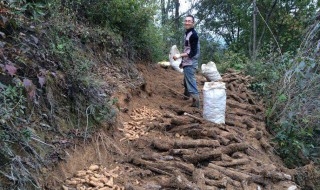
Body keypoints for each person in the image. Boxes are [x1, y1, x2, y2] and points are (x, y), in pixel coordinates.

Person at [173, 15, 200, 108]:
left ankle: (196, 106)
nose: (187, 22)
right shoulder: (187, 33)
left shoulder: (193, 35)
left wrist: (179, 55)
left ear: (193, 23)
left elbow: (192, 52)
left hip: (191, 63)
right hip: (187, 62)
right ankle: (186, 97)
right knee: (186, 82)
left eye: (189, 21)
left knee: (191, 85)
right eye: (186, 21)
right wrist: (182, 62)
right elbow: (187, 49)